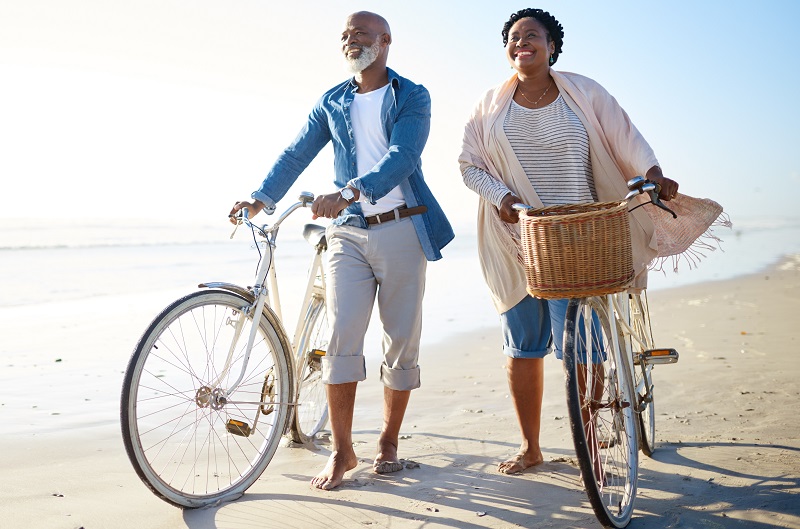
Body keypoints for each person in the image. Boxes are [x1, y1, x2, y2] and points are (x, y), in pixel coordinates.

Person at [459, 8, 720, 475]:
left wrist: (652, 173)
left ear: (552, 46)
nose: (522, 42)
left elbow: (625, 138)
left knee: (580, 346)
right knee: (522, 344)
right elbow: (469, 164)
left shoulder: (584, 92)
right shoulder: (487, 106)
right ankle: (530, 447)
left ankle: (592, 445)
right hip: (514, 235)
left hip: (581, 234)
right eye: (514, 37)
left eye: (532, 35)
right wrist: (502, 198)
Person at [230, 11, 454, 490]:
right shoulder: (331, 100)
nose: (350, 39)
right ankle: (342, 450)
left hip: (402, 229)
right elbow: (296, 153)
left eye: (360, 32)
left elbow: (404, 156)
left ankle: (389, 443)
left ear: (385, 40)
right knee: (340, 341)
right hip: (348, 234)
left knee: (399, 343)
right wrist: (261, 197)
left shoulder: (412, 96)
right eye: (345, 34)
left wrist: (352, 190)